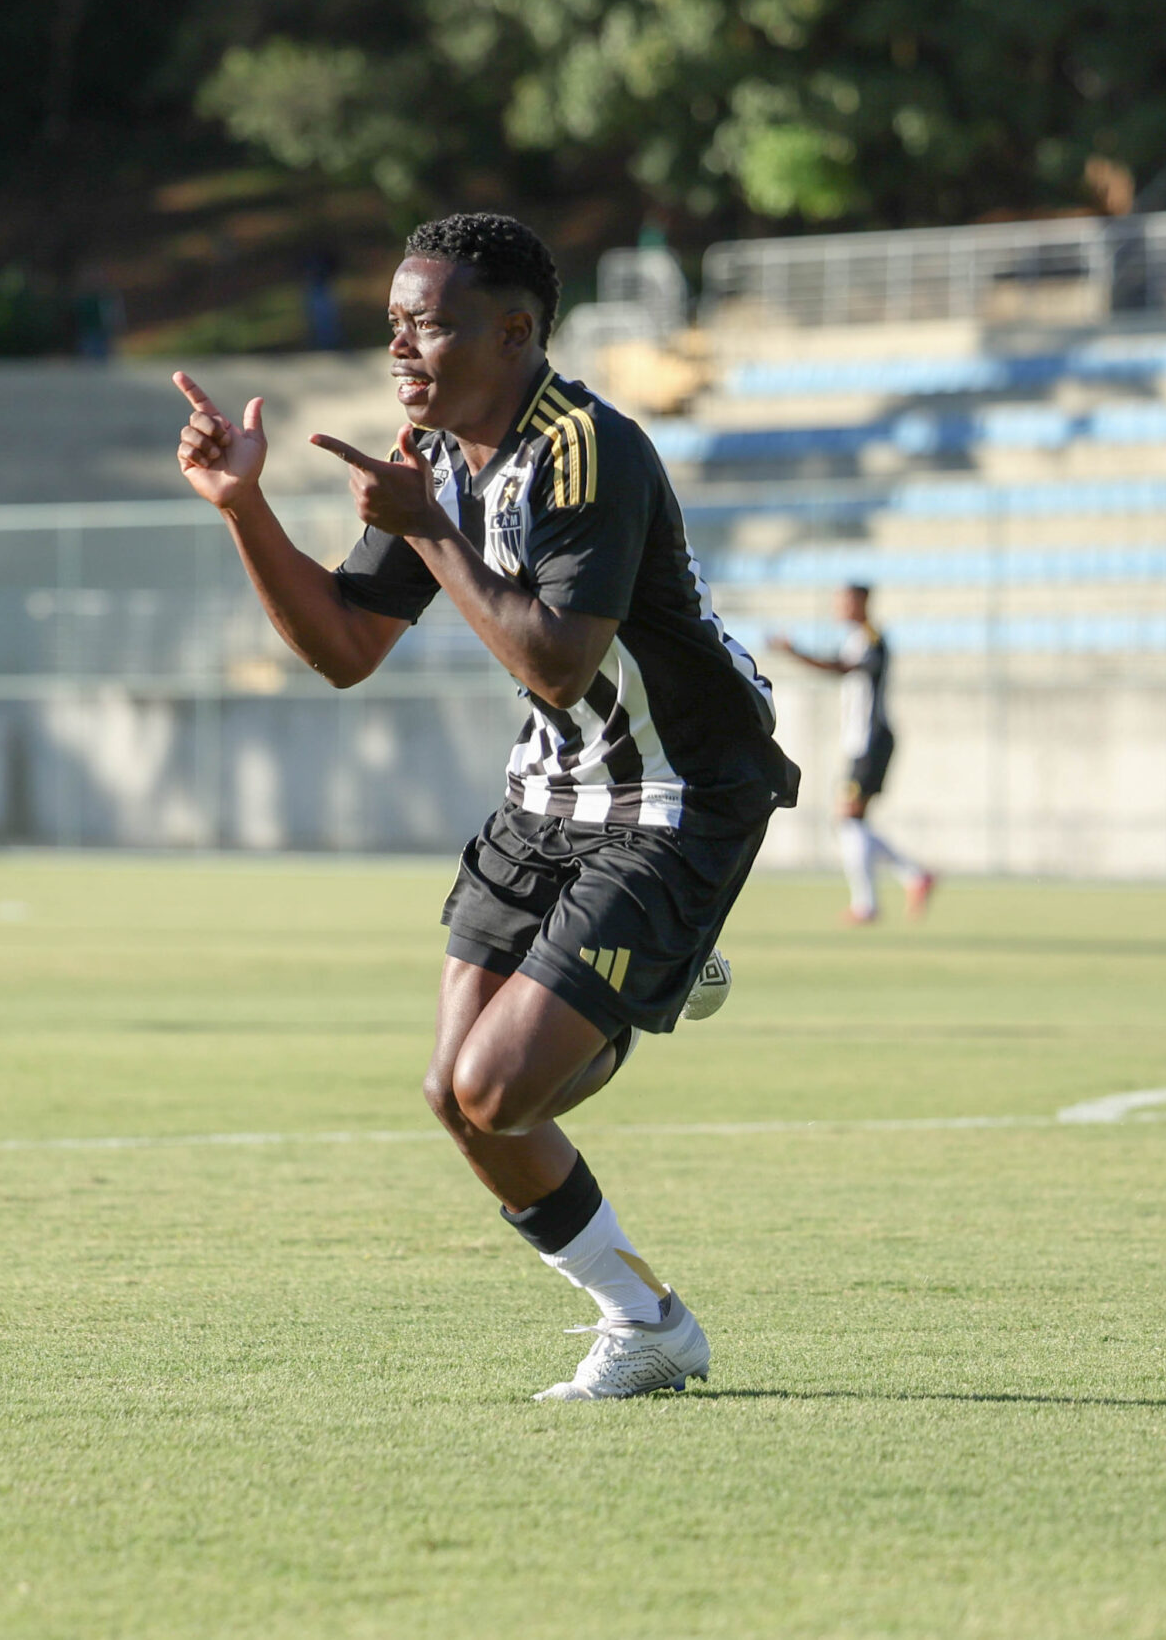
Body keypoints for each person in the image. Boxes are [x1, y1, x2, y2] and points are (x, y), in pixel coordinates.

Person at [170, 213, 796, 1400]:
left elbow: (557, 662)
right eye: (393, 323)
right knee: (455, 1100)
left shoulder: (587, 451)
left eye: (430, 324)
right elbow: (345, 648)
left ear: (513, 332)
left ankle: (663, 961)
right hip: (547, 792)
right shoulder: (433, 454)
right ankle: (646, 1323)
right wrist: (242, 507)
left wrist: (431, 531)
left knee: (500, 1088)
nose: (401, 347)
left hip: (676, 792)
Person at [774, 583, 935, 924]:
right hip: (860, 742)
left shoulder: (873, 639)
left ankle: (872, 901)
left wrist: (795, 653)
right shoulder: (855, 640)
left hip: (872, 740)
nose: (839, 607)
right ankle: (912, 877)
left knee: (848, 819)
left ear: (862, 602)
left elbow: (842, 668)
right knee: (851, 822)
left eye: (845, 601)